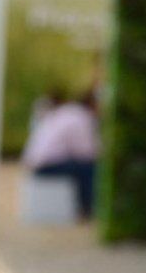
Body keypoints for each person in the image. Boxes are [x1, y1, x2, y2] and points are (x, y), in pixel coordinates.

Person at [21, 91, 100, 219]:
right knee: (88, 168)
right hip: (46, 165)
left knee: (81, 166)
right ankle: (88, 208)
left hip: (38, 162)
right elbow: (86, 152)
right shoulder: (80, 117)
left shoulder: (67, 112)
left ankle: (84, 206)